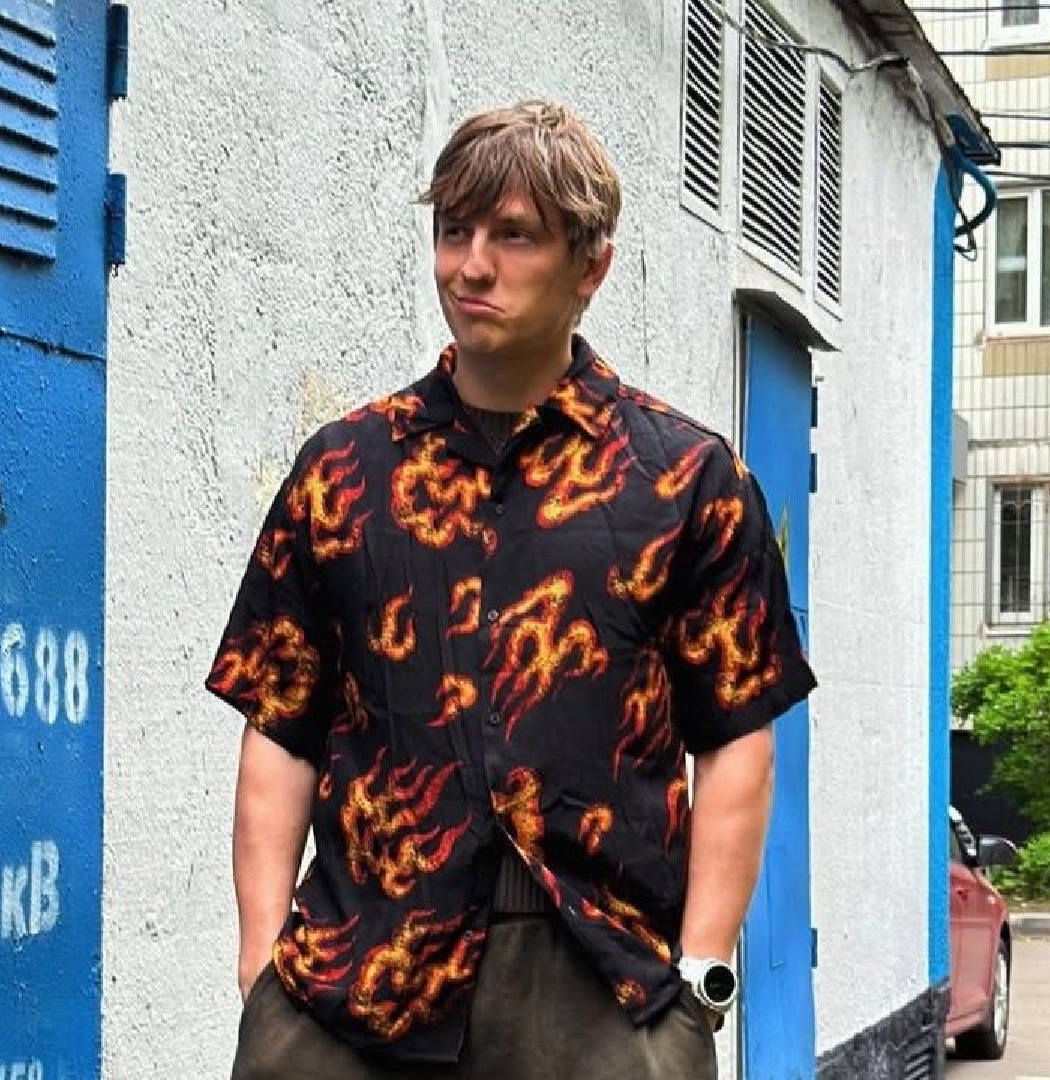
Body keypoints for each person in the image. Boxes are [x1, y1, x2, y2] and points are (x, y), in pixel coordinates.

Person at [206, 99, 816, 1079]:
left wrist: (699, 978)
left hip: (603, 990)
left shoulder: (685, 482)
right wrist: (259, 968)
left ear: (591, 267)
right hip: (353, 984)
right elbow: (281, 725)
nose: (472, 266)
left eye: (514, 236)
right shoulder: (344, 474)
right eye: (454, 231)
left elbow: (736, 736)